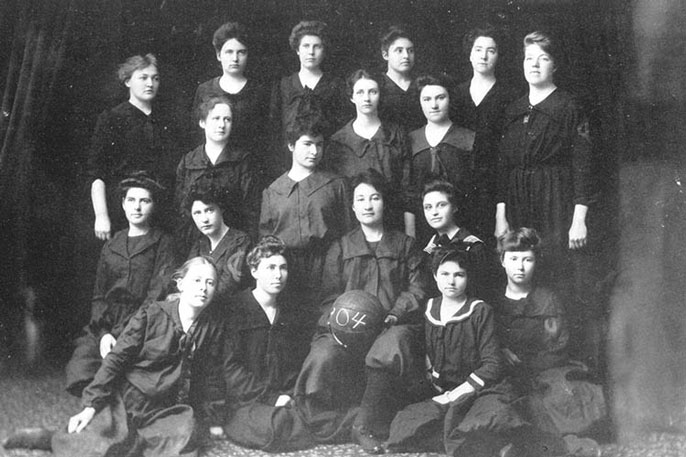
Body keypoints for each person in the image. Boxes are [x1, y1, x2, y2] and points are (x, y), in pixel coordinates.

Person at [5, 257, 224, 456]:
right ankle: (50, 438)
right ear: (181, 283)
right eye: (197, 280)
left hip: (164, 408)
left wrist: (210, 417)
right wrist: (91, 405)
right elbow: (116, 358)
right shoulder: (152, 314)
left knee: (183, 441)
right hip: (128, 399)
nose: (203, 288)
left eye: (210, 283)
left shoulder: (210, 327)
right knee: (98, 446)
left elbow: (208, 376)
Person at [294, 169, 428, 444]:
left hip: (391, 326)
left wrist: (393, 314)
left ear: (384, 203)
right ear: (353, 206)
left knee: (395, 342)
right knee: (323, 352)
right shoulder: (341, 247)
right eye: (361, 199)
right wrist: (340, 327)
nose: (368, 205)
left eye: (375, 198)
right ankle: (329, 420)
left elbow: (417, 290)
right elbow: (329, 298)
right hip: (347, 330)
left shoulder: (405, 245)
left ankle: (364, 423)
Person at [372, 247, 534, 457]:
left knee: (490, 416)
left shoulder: (479, 310)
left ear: (467, 277)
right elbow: (426, 349)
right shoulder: (430, 308)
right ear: (435, 276)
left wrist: (456, 394)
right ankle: (468, 439)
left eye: (459, 275)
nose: (451, 281)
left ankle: (495, 443)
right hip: (445, 391)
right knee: (405, 424)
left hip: (481, 389)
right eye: (445, 274)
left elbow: (493, 364)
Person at [495, 31, 596, 362]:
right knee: (520, 268)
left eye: (543, 58)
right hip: (518, 198)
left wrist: (578, 218)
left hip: (556, 198)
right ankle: (524, 354)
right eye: (528, 58)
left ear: (554, 65)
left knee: (554, 269)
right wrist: (501, 215)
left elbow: (583, 163)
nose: (534, 65)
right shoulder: (513, 108)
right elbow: (503, 165)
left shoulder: (568, 107)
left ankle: (560, 354)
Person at [493, 228, 608, 455]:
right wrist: (501, 350)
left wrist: (532, 367)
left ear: (536, 262)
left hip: (546, 369)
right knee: (503, 403)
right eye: (513, 259)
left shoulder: (547, 299)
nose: (520, 266)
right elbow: (487, 341)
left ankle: (565, 444)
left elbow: (559, 344)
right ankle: (522, 445)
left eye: (527, 259)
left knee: (551, 397)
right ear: (502, 261)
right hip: (506, 372)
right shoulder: (494, 302)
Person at [66, 171, 176, 397]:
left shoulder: (163, 242)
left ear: (153, 206)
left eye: (145, 201)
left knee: (129, 372)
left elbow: (156, 295)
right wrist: (105, 332)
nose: (137, 207)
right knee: (81, 367)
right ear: (123, 204)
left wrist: (127, 331)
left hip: (143, 322)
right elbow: (99, 295)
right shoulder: (112, 244)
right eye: (132, 200)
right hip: (109, 321)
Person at [221, 236, 314, 452]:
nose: (278, 275)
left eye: (283, 268)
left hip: (286, 398)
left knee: (315, 415)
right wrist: (271, 398)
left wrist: (290, 395)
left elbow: (297, 363)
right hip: (248, 401)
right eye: (270, 267)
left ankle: (295, 420)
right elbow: (231, 369)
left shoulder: (290, 311)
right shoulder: (236, 309)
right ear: (254, 272)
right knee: (273, 425)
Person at [259, 114, 352, 328]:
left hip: (328, 269)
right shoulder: (273, 191)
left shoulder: (336, 185)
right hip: (288, 272)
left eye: (319, 145)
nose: (314, 151)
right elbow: (265, 242)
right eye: (307, 144)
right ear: (291, 145)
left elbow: (349, 232)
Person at [86, 54, 178, 239]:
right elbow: (97, 174)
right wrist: (101, 216)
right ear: (127, 81)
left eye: (155, 78)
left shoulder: (167, 119)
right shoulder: (112, 119)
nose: (150, 83)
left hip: (161, 210)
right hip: (123, 211)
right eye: (143, 78)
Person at [452, 26, 520, 242]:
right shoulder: (456, 94)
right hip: (460, 184)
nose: (483, 56)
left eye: (491, 50)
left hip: (496, 184)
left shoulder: (510, 96)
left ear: (498, 56)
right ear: (469, 54)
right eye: (478, 49)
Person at [324, 69, 411, 231]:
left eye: (373, 92)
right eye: (360, 92)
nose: (366, 98)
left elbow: (407, 188)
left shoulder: (396, 134)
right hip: (352, 227)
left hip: (394, 222)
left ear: (380, 95)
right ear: (352, 97)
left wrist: (410, 233)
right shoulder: (338, 142)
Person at [176, 95, 260, 251]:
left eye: (227, 119)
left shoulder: (243, 161)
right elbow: (182, 210)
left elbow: (251, 210)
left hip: (234, 244)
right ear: (202, 122)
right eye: (216, 119)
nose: (221, 125)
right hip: (195, 243)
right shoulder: (188, 162)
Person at [268, 20, 350, 178]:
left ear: (324, 50)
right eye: (306, 46)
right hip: (289, 161)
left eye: (317, 46)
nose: (311, 52)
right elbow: (275, 126)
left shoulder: (336, 85)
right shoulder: (284, 85)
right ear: (297, 50)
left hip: (327, 161)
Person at [405, 74, 476, 244]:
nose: (434, 105)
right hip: (423, 226)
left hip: (463, 223)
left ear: (450, 99)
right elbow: (409, 192)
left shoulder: (468, 138)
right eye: (427, 99)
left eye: (440, 98)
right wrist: (410, 232)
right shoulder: (410, 140)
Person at [191, 22, 269, 174]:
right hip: (211, 167)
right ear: (219, 55)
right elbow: (196, 134)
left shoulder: (260, 92)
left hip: (249, 169)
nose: (235, 58)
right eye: (229, 52)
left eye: (241, 52)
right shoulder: (205, 90)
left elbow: (266, 136)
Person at [421, 179, 495, 301]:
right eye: (428, 207)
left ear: (454, 207)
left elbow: (482, 292)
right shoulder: (430, 248)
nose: (434, 212)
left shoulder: (473, 246)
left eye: (441, 205)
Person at [185, 182, 252, 307]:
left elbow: (229, 286)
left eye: (209, 210)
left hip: (229, 310)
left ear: (221, 209)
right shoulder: (200, 244)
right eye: (197, 213)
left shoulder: (240, 241)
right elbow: (186, 276)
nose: (204, 219)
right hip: (200, 306)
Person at [377, 25, 424, 132]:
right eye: (399, 51)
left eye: (410, 51)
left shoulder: (421, 84)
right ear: (385, 55)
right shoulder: (378, 87)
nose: (406, 56)